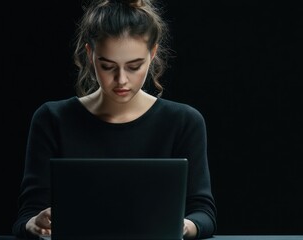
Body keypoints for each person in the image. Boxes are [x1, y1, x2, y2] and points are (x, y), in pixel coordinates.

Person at [12, 0, 217, 239]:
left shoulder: (184, 121)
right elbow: (26, 216)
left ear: (153, 54)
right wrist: (34, 223)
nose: (121, 80)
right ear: (90, 54)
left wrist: (183, 225)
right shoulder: (52, 119)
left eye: (134, 66)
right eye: (108, 66)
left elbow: (204, 214)